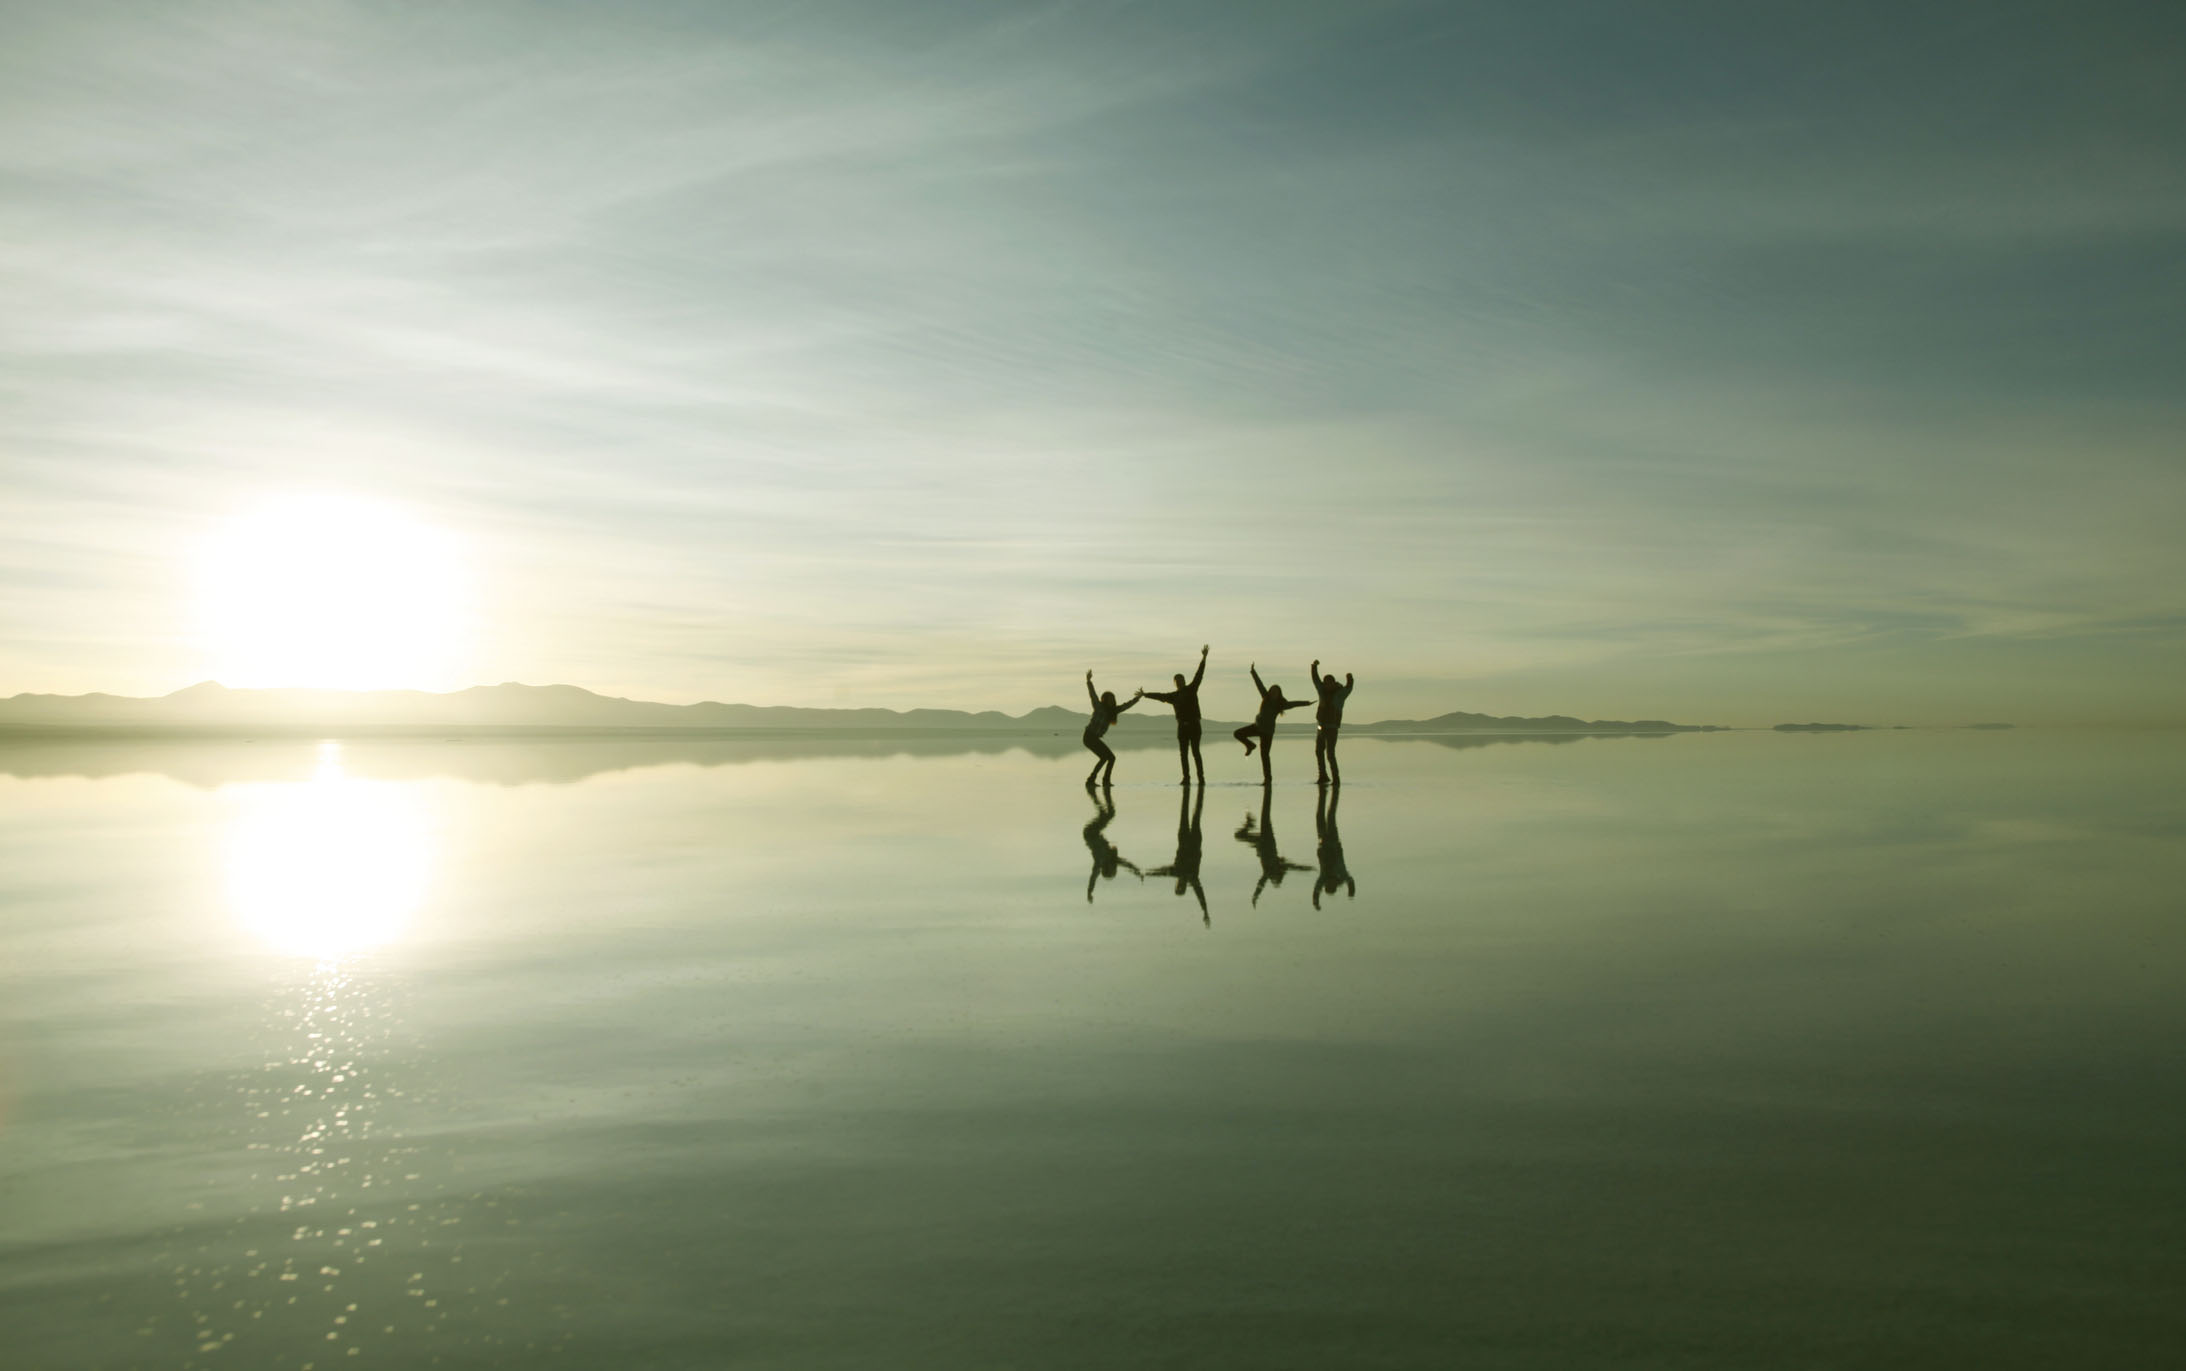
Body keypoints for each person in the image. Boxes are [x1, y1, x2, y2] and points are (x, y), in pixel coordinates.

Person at [1231, 663, 1310, 786]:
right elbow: (1259, 684)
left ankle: (1268, 779)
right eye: (1272, 690)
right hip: (1257, 726)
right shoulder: (1265, 697)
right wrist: (1253, 672)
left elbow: (1294, 704)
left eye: (1276, 691)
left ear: (1279, 694)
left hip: (1267, 732)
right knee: (1237, 733)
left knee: (1265, 755)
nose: (1273, 693)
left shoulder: (1281, 704)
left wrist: (1306, 703)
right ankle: (1250, 745)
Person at [1142, 644, 1210, 786]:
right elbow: (1160, 696)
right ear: (1175, 683)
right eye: (1177, 681)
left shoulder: (1191, 689)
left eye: (1181, 680)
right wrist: (1145, 694)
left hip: (1194, 725)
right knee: (1183, 754)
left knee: (1196, 753)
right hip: (1182, 727)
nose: (1179, 682)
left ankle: (1201, 778)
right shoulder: (1173, 696)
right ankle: (1186, 778)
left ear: (1184, 681)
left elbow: (1199, 674)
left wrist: (1204, 657)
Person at [1234, 787, 1313, 907]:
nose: (1273, 876)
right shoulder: (1280, 866)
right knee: (1265, 816)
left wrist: (1255, 896)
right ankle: (1266, 795)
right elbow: (1296, 867)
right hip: (1268, 838)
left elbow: (1261, 884)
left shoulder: (1267, 872)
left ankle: (1250, 822)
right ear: (1278, 874)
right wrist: (1307, 868)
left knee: (1238, 835)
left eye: (1273, 878)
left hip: (1258, 843)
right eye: (1275, 877)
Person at [1145, 784, 1209, 925]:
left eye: (1178, 886)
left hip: (1187, 840)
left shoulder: (1180, 874)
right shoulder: (1189, 877)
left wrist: (1149, 873)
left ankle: (1196, 791)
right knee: (1191, 814)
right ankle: (1198, 790)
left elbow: (1161, 872)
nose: (1179, 884)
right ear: (1182, 886)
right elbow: (1200, 894)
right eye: (1180, 886)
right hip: (1192, 841)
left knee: (1191, 814)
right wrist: (1205, 911)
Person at [1082, 670, 1143, 789]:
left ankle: (1097, 780)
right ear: (1104, 700)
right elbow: (1092, 694)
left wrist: (1138, 698)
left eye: (1112, 699)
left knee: (1108, 758)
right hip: (1089, 736)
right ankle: (1096, 780)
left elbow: (1127, 705)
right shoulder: (1098, 706)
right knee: (1109, 757)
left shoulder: (1113, 711)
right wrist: (1089, 681)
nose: (1111, 701)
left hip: (1093, 738)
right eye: (1109, 699)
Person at [1083, 789, 1142, 902]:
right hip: (1094, 833)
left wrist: (1089, 892)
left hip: (1090, 833)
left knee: (1109, 814)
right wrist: (1136, 871)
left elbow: (1093, 877)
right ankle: (1096, 795)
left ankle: (1095, 794)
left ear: (1107, 869)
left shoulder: (1099, 862)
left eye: (1113, 870)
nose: (1114, 867)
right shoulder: (1112, 860)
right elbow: (1126, 864)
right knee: (1108, 814)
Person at [1309, 659, 1357, 785]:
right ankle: (1323, 776)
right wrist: (1314, 667)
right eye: (1325, 683)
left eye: (1329, 683)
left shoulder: (1340, 694)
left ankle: (1336, 779)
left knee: (1330, 754)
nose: (1327, 685)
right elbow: (1315, 679)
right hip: (1321, 727)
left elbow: (1349, 688)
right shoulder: (1322, 691)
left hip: (1332, 728)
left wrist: (1350, 678)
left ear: (1334, 683)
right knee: (1319, 751)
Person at [1312, 782, 1356, 910]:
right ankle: (1334, 792)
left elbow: (1316, 889)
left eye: (1327, 883)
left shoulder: (1324, 877)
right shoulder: (1341, 874)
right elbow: (1351, 881)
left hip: (1323, 842)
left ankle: (1324, 794)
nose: (1328, 881)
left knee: (1320, 816)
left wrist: (1316, 902)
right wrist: (1351, 892)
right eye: (1330, 883)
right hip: (1333, 840)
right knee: (1330, 816)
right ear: (1334, 883)